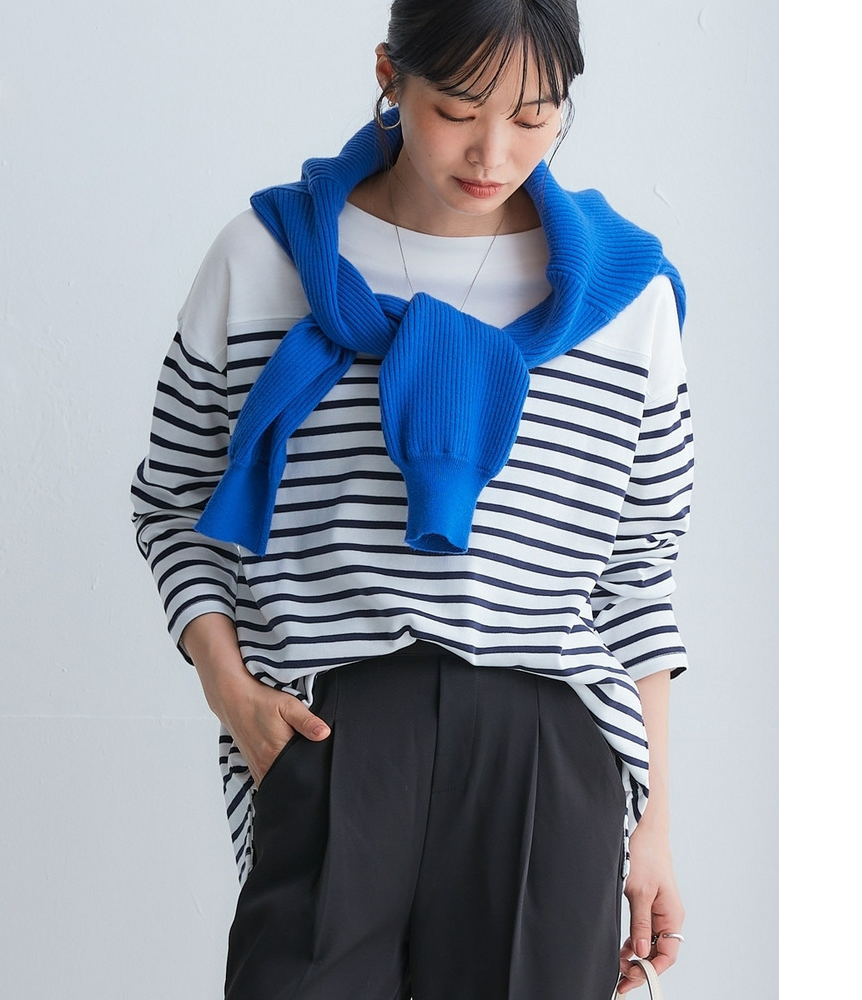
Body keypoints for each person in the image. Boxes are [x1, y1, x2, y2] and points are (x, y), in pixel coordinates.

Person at [131, 1, 691, 997]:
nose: (493, 151)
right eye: (458, 109)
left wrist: (651, 825)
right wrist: (231, 692)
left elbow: (638, 568)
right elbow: (175, 501)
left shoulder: (627, 297)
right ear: (390, 75)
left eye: (534, 115)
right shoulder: (264, 259)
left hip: (548, 744)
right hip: (332, 731)